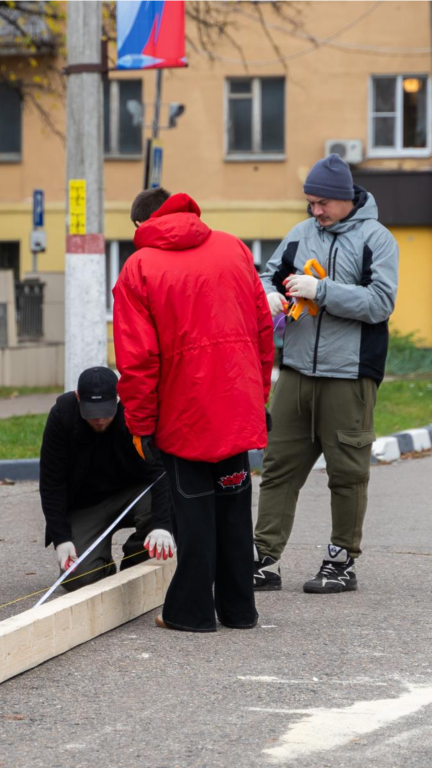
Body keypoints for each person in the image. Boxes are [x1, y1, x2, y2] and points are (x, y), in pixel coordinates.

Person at [113, 188, 274, 633]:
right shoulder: (234, 247)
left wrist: (142, 425)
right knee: (236, 510)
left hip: (184, 413)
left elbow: (137, 359)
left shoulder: (140, 267)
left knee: (195, 512)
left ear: (141, 226)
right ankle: (240, 610)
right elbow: (263, 326)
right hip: (237, 404)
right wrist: (257, 397)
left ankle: (192, 611)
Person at [253, 154, 398, 594]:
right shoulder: (300, 235)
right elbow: (266, 276)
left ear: (343, 199)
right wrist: (269, 297)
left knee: (347, 472)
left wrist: (323, 291)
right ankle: (263, 559)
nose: (314, 210)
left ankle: (340, 561)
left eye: (321, 203)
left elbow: (380, 302)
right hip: (296, 371)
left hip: (350, 375)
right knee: (278, 466)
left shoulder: (378, 239)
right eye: (310, 202)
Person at [39, 366, 174, 592]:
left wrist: (162, 526)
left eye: (106, 411)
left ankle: (134, 558)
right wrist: (61, 538)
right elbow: (51, 483)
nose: (100, 419)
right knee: (78, 580)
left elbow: (161, 472)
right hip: (87, 505)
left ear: (118, 398)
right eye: (92, 412)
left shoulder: (136, 412)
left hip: (135, 496)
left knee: (171, 506)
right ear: (78, 397)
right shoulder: (62, 416)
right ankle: (104, 567)